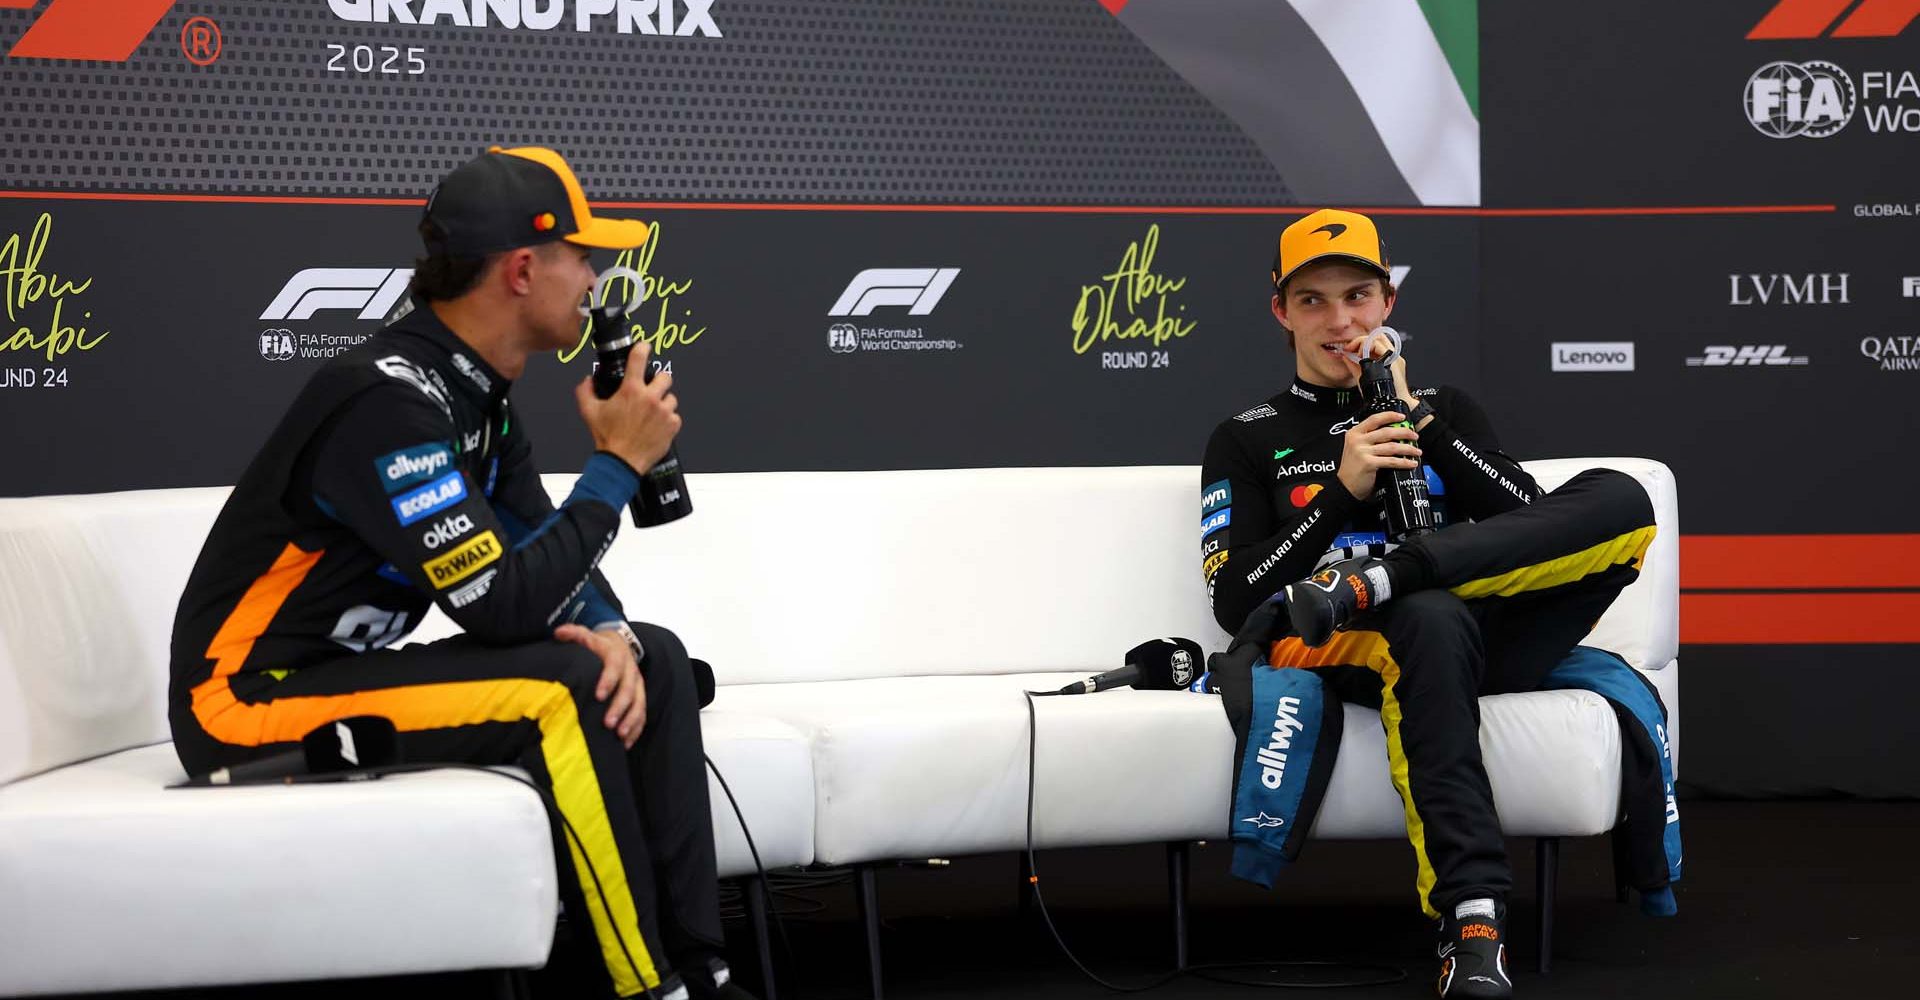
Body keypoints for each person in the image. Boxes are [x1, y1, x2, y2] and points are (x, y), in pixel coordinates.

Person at [169, 146, 750, 1000]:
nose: (596, 279)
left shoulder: (474, 394)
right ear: (522, 269)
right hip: (244, 701)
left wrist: (613, 629)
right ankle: (642, 989)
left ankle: (705, 970)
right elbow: (501, 604)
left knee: (653, 657)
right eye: (583, 256)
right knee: (562, 687)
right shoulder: (388, 399)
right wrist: (617, 464)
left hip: (339, 674)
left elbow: (541, 550)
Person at [1199, 209, 1657, 999]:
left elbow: (1534, 522)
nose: (1340, 321)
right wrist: (1340, 494)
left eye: (1357, 296)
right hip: (1345, 642)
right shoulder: (1247, 435)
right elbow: (1237, 600)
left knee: (1622, 498)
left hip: (1488, 631)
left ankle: (1387, 575)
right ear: (1281, 310)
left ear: (1388, 303)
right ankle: (1473, 920)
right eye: (1312, 301)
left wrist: (1427, 427)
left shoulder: (1447, 409)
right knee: (1429, 615)